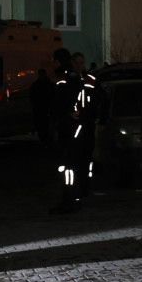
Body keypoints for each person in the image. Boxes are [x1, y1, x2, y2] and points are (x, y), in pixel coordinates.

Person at [49, 47, 98, 214]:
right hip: (80, 129)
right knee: (77, 164)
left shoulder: (67, 80)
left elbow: (61, 105)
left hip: (73, 130)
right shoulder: (81, 79)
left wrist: (71, 115)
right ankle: (75, 195)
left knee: (70, 165)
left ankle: (70, 198)